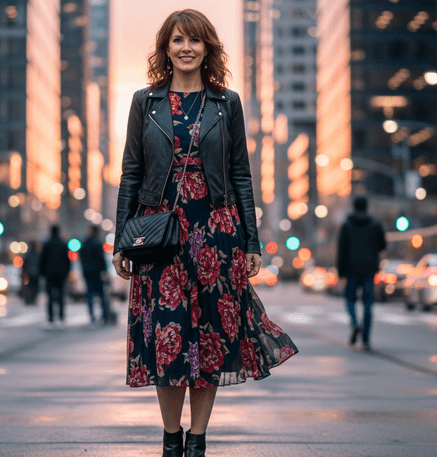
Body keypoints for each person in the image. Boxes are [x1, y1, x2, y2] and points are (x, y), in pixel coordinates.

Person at [111, 10, 298, 457]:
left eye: (195, 40)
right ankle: (170, 437)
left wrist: (251, 242)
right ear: (166, 48)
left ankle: (197, 439)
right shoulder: (144, 102)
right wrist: (122, 240)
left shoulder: (226, 103)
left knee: (210, 336)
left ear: (207, 48)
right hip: (159, 235)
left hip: (216, 231)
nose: (186, 48)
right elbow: (131, 173)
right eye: (178, 40)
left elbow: (241, 174)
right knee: (168, 335)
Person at [336, 196, 387, 350]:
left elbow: (341, 250)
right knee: (368, 304)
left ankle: (354, 323)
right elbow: (383, 245)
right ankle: (366, 338)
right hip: (369, 269)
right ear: (367, 207)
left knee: (349, 299)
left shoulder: (346, 225)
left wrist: (341, 272)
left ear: (353, 207)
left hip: (351, 269)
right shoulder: (375, 224)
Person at [40, 225, 71, 324]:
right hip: (61, 273)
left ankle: (51, 318)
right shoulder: (63, 243)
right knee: (61, 296)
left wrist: (42, 273)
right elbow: (67, 260)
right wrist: (67, 272)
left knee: (49, 296)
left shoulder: (47, 244)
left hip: (49, 274)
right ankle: (61, 316)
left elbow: (42, 260)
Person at [80, 225, 111, 324]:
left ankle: (92, 316)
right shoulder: (97, 242)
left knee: (90, 294)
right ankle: (104, 315)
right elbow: (102, 259)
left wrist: (84, 269)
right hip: (97, 272)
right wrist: (105, 271)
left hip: (87, 272)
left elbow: (81, 257)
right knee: (101, 294)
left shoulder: (85, 243)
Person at [21, 240, 40, 305]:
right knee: (34, 287)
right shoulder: (37, 254)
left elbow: (25, 264)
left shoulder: (28, 254)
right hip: (35, 274)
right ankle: (32, 298)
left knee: (30, 287)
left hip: (30, 273)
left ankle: (30, 299)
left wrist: (24, 272)